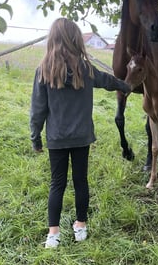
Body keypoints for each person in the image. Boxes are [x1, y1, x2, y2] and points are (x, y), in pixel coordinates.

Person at [30, 18, 132, 248]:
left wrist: (35, 137)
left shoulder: (43, 71)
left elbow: (38, 109)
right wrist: (125, 86)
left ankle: (53, 234)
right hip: (82, 137)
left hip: (56, 138)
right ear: (76, 40)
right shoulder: (85, 69)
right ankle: (80, 227)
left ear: (52, 40)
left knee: (57, 184)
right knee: (80, 182)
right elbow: (107, 81)